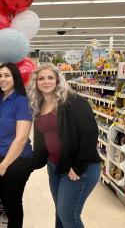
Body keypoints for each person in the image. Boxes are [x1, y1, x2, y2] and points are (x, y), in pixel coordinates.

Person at [28, 63, 101, 228]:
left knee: (69, 216)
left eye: (50, 77)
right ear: (36, 82)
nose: (46, 82)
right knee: (60, 215)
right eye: (41, 78)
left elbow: (90, 134)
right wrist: (26, 164)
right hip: (55, 167)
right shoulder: (38, 106)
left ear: (57, 80)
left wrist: (78, 166)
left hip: (79, 168)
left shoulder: (73, 101)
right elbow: (41, 145)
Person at [0, 63, 34, 228]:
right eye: (0, 76)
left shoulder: (21, 101)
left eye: (7, 75)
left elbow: (21, 138)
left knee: (13, 204)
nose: (3, 79)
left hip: (17, 161)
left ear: (15, 78)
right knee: (6, 202)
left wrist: (5, 164)